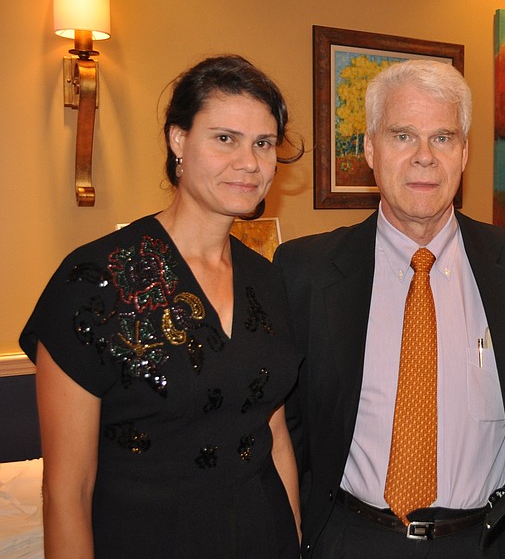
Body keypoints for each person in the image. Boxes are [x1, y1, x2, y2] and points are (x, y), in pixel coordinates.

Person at [20, 55, 303, 558]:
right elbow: (67, 491)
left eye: (263, 143)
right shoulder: (95, 281)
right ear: (178, 140)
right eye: (225, 138)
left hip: (263, 536)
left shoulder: (267, 279)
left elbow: (275, 436)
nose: (250, 162)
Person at [274, 59, 505, 558]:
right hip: (350, 538)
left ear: (465, 153)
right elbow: (285, 424)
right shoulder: (306, 272)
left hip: (487, 541)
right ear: (369, 150)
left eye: (443, 138)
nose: (425, 157)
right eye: (403, 135)